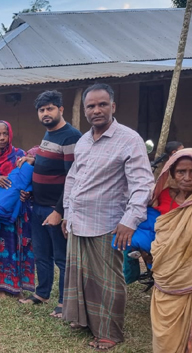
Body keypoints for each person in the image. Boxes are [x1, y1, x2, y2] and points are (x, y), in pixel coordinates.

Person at [62, 83, 154, 350]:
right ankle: (83, 320)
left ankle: (110, 332)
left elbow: (142, 184)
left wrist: (130, 220)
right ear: (85, 110)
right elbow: (73, 179)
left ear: (113, 107)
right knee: (81, 276)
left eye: (102, 104)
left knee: (108, 282)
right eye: (91, 106)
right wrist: (68, 212)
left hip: (109, 224)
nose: (96, 110)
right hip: (79, 221)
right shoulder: (83, 140)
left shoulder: (129, 139)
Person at [17, 91, 82, 320]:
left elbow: (72, 177)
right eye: (42, 110)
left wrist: (59, 211)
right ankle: (42, 293)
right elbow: (50, 164)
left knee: (62, 259)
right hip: (37, 205)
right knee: (41, 255)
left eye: (50, 108)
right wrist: (33, 161)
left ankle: (64, 302)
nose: (46, 113)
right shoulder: (49, 134)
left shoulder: (70, 136)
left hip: (55, 209)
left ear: (61, 110)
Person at [0, 121, 35, 297]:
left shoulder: (20, 155)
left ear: (10, 134)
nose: (2, 138)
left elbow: (28, 179)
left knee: (14, 244)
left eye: (5, 134)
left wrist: (27, 193)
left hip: (16, 208)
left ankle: (15, 284)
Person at [149, 149, 192, 353]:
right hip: (165, 276)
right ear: (172, 173)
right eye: (181, 171)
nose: (187, 178)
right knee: (165, 339)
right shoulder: (164, 196)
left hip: (189, 279)